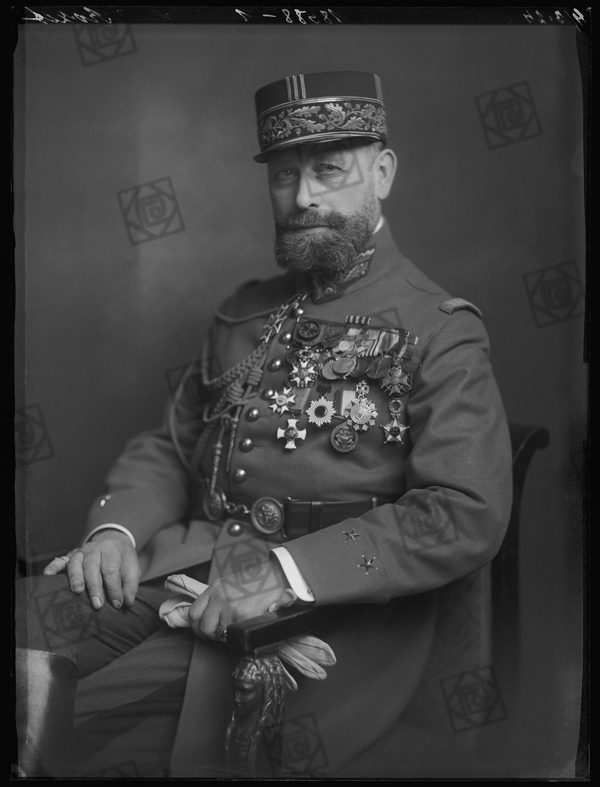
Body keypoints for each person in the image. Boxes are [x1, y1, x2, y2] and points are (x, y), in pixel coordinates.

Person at [15, 71, 512, 778]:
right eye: (284, 174)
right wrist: (116, 530)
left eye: (329, 170)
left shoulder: (439, 328)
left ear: (382, 173)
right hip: (187, 570)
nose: (303, 197)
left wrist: (287, 573)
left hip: (324, 617)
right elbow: (173, 447)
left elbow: (465, 510)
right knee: (26, 622)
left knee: (63, 725)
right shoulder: (243, 313)